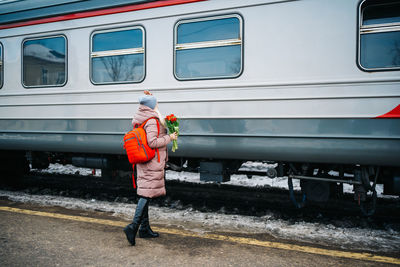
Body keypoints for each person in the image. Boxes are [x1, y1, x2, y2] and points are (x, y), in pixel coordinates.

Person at [123, 91, 178, 246]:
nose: (157, 105)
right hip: (151, 162)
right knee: (146, 194)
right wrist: (170, 138)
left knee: (145, 192)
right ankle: (132, 227)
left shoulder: (142, 116)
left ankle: (144, 229)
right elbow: (152, 142)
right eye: (156, 103)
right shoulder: (152, 120)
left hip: (146, 161)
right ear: (151, 106)